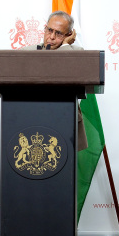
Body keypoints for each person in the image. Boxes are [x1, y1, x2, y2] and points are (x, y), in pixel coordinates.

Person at [24, 10, 88, 151]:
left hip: (65, 122)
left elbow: (71, 74)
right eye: (49, 30)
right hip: (32, 122)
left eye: (58, 33)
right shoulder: (28, 52)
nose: (51, 37)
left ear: (69, 35)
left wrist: (65, 46)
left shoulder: (77, 53)